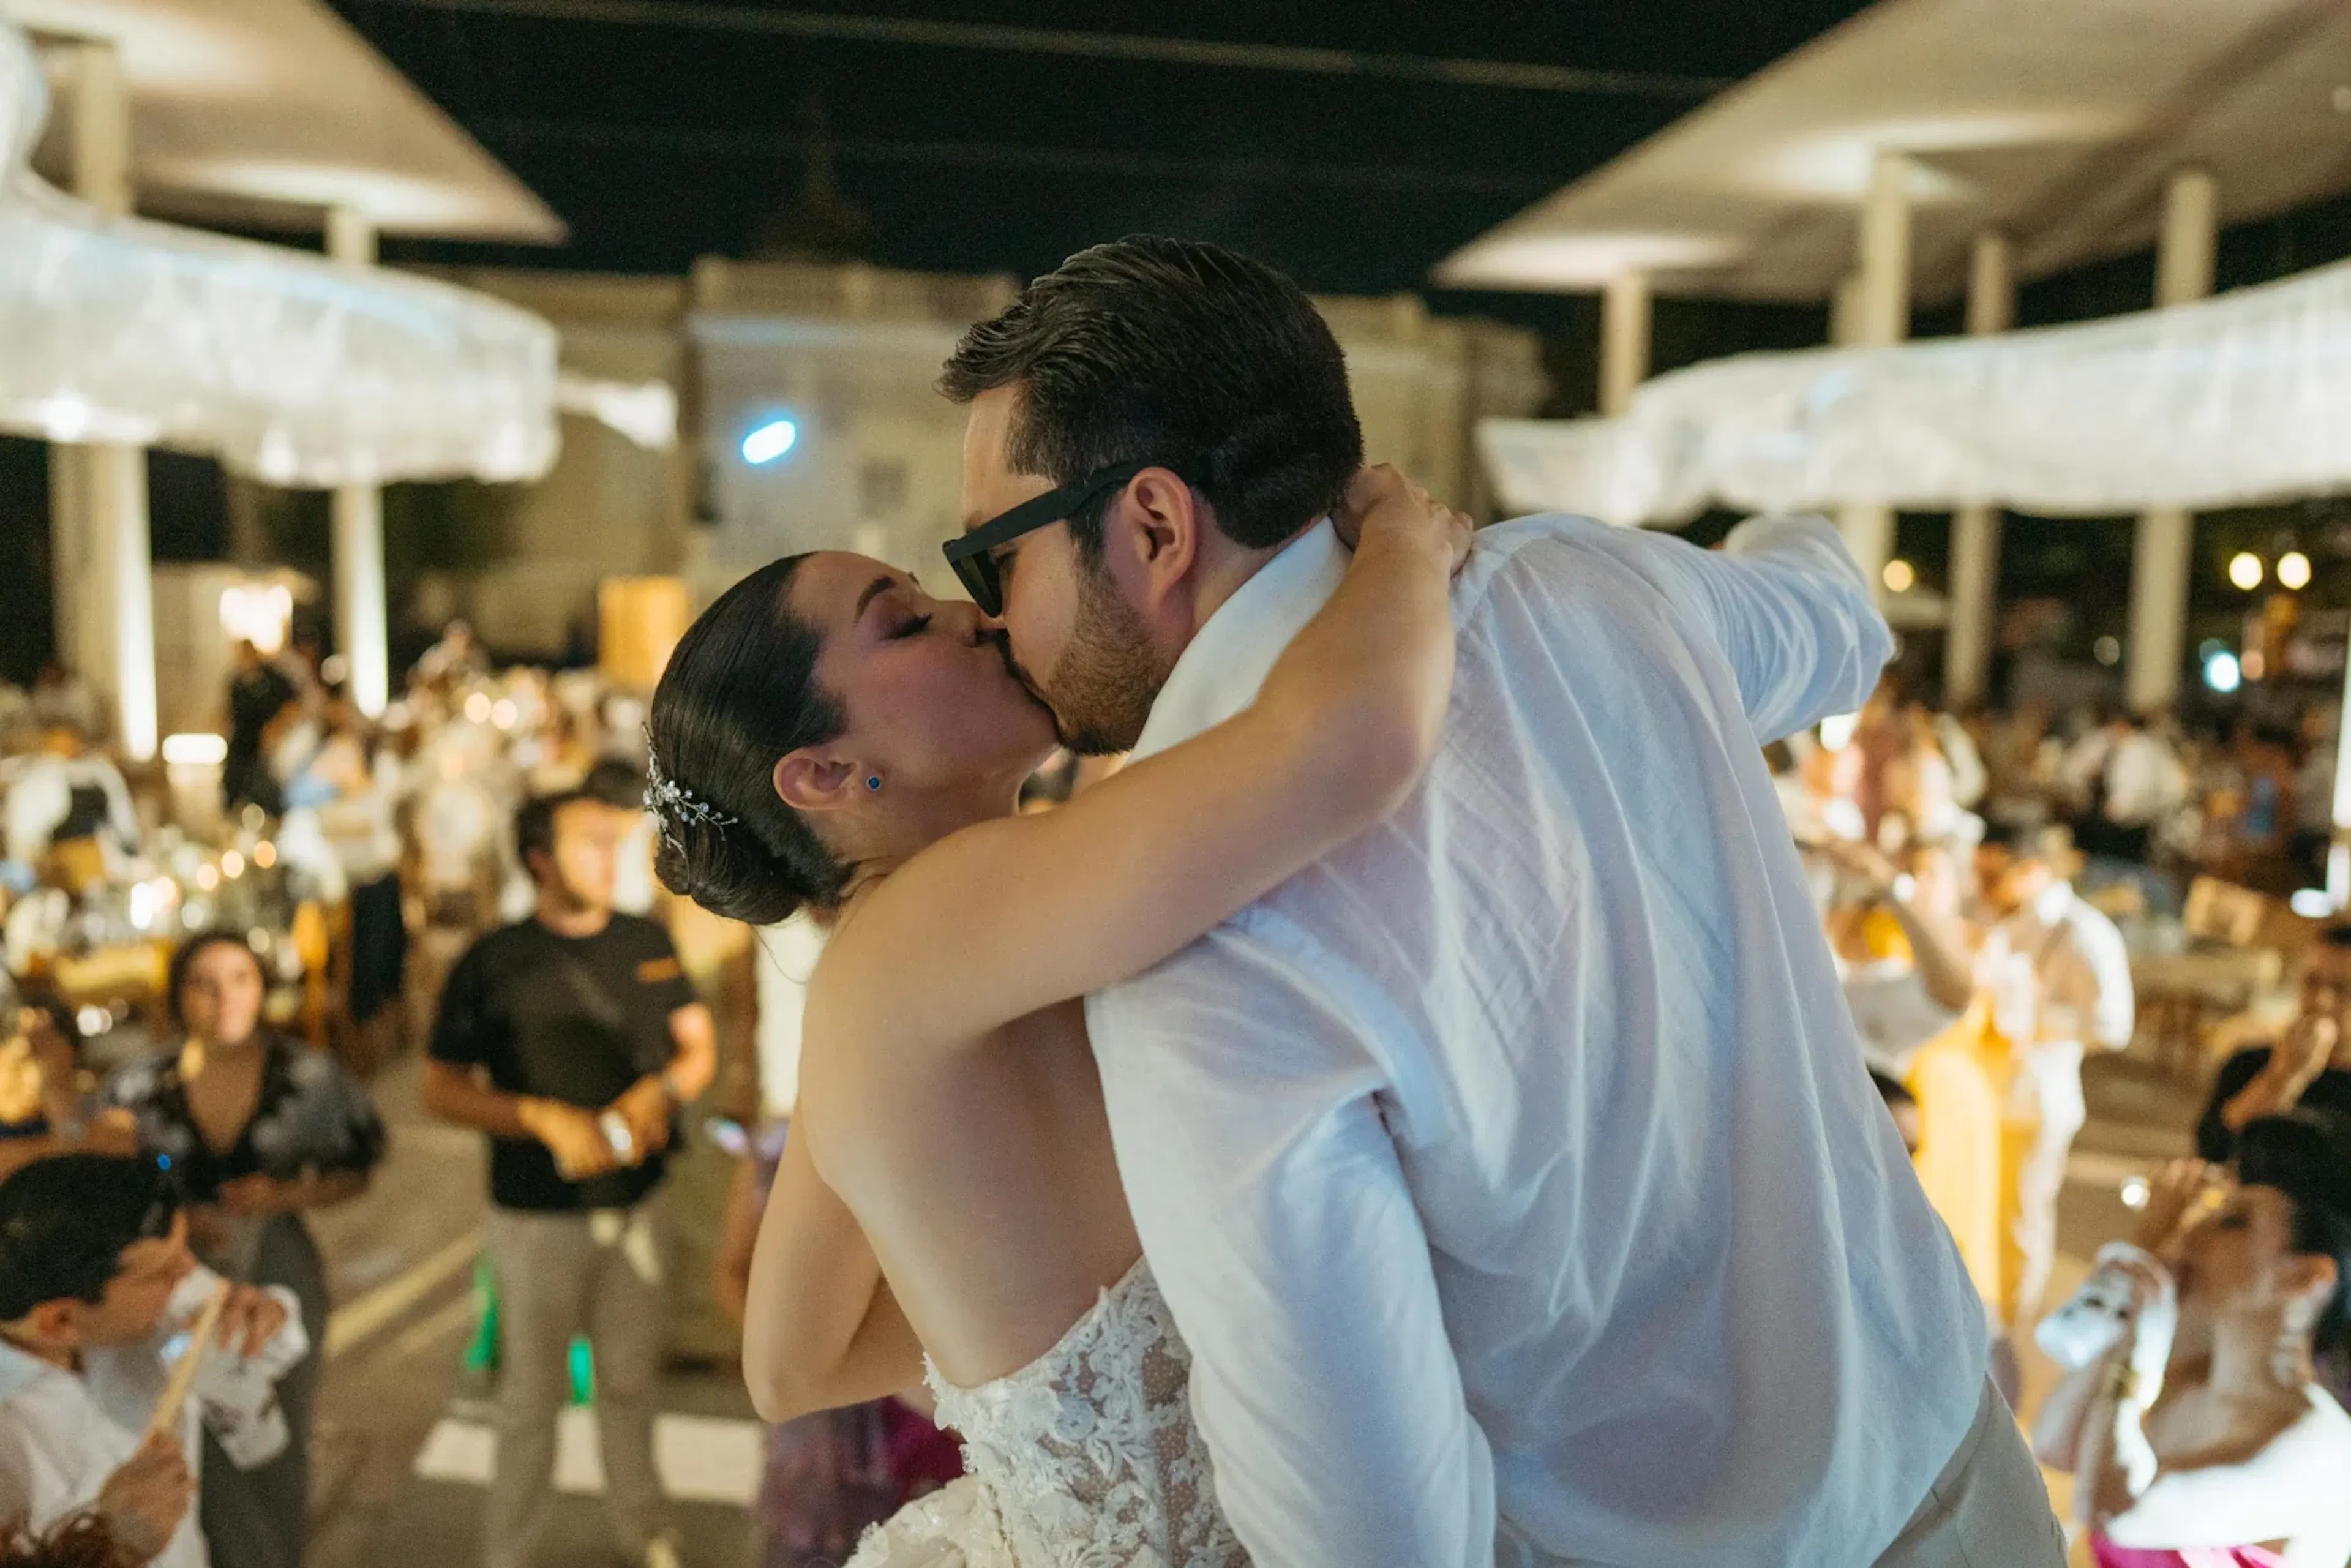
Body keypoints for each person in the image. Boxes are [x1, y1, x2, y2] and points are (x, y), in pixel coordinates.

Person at [932, 234, 2049, 1567]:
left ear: (1155, 527)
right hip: (1968, 1477)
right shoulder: (1593, 587)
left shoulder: (1195, 945)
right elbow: (1839, 623)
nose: (986, 617)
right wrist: (1778, 538)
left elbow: (1376, 1541)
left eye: (992, 560)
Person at [647, 463, 1470, 1567]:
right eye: (905, 623)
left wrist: (1042, 1355)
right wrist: (1406, 546)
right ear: (828, 772)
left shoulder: (884, 967)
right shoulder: (932, 923)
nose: (970, 613)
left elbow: (791, 1363)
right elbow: (1349, 747)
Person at [421, 790, 719, 1568]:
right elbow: (439, 1088)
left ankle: (646, 1535)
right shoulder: (494, 959)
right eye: (588, 841)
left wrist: (661, 1091)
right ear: (539, 859)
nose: (608, 855)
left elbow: (697, 1046)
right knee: (529, 1397)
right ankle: (508, 1550)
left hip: (637, 1202)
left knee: (631, 1383)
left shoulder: (644, 939)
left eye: (612, 840)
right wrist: (540, 1117)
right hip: (534, 1213)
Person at [102, 932, 383, 1568]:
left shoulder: (309, 1075)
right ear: (178, 996)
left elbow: (358, 1167)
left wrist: (284, 1194)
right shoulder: (140, 1083)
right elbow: (103, 1166)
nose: (224, 997)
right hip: (172, 1271)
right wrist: (176, 1218)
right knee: (179, 1422)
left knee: (273, 1419)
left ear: (261, 986)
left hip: (275, 1261)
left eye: (240, 978)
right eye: (203, 982)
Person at [2034, 1118, 2351, 1566]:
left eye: (2233, 1223)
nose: (2194, 1233)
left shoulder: (2326, 1447)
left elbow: (2114, 1508)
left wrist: (2140, 1343)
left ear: (2307, 1276)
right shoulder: (2179, 1381)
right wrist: (2139, 1275)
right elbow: (2054, 1443)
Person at [0, 1154, 305, 1568]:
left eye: (184, 1252)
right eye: (164, 1272)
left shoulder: (162, 1302)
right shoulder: (11, 1436)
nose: (189, 1270)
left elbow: (278, 1346)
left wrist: (266, 1314)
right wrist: (107, 1542)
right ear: (62, 1321)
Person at [1978, 822, 2137, 1324]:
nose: (1985, 885)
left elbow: (2114, 1024)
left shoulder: (2081, 930)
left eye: (1995, 875)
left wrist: (2036, 1018)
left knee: (2022, 1218)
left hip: (2037, 1096)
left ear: (2031, 869)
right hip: (1988, 1091)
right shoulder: (2000, 916)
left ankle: (2013, 1327)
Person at [2199, 925, 2351, 1165]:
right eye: (2312, 982)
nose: (2322, 1000)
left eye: (2343, 989)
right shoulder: (2248, 1063)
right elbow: (2213, 1149)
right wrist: (2284, 1077)